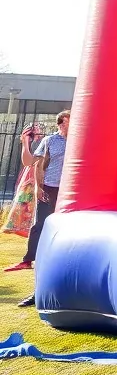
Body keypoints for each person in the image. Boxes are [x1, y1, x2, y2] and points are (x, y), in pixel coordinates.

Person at [5, 110, 69, 273]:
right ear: (61, 123)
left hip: (67, 189)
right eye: (69, 121)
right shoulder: (50, 141)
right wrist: (38, 188)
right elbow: (37, 165)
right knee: (40, 223)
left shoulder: (78, 140)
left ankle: (57, 257)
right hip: (49, 186)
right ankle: (28, 259)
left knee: (64, 224)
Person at [1, 124, 42, 238]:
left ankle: (31, 227)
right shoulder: (31, 142)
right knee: (24, 202)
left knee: (33, 203)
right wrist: (25, 141)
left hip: (37, 175)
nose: (34, 130)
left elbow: (33, 161)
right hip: (29, 176)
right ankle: (23, 226)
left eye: (37, 128)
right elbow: (27, 161)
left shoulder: (42, 141)